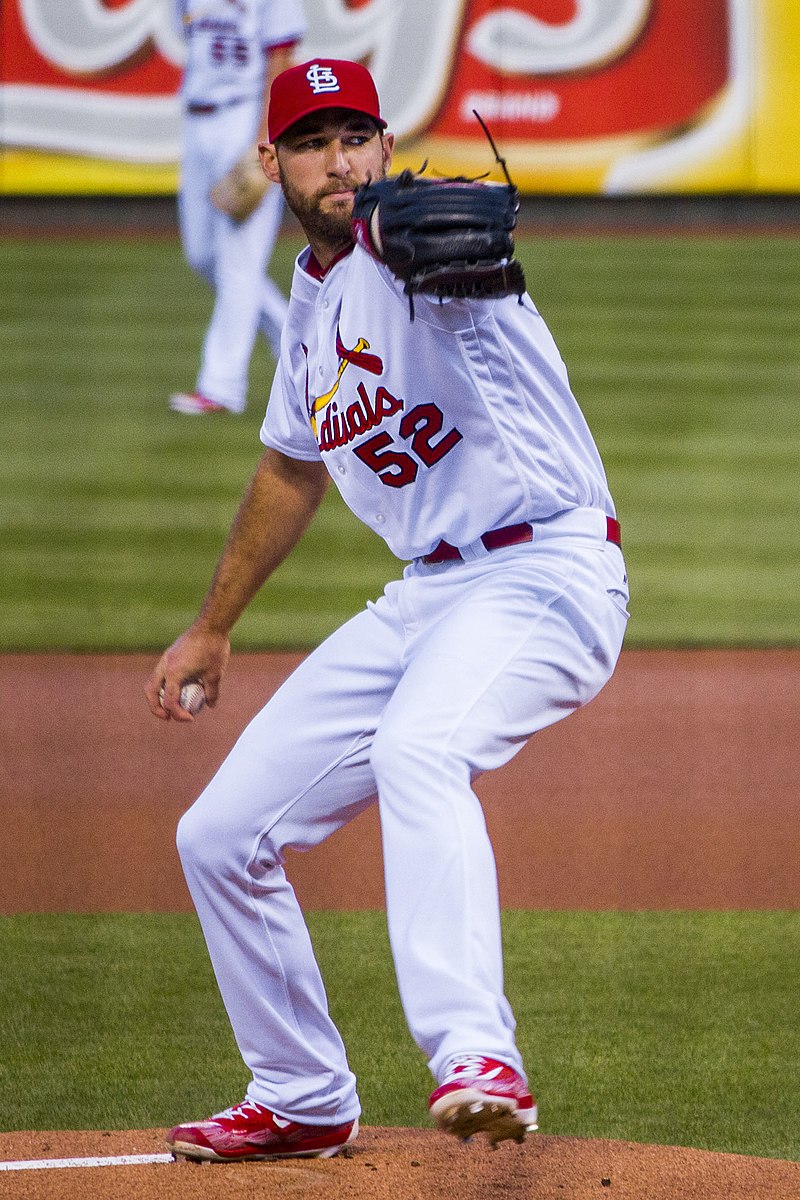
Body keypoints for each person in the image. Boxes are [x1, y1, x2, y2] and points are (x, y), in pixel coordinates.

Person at [146, 58, 630, 1161]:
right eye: (313, 141)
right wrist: (213, 623)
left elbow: (459, 258)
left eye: (356, 135)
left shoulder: (407, 245)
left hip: (544, 570)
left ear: (384, 142)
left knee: (420, 749)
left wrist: (416, 235)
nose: (341, 160)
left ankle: (477, 1054)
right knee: (219, 834)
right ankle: (303, 1091)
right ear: (270, 161)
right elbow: (289, 469)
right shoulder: (313, 307)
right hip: (429, 594)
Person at [169, 0, 306, 416]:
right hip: (197, 119)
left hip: (242, 115)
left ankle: (222, 386)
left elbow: (281, 59)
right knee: (202, 255)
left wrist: (265, 139)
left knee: (238, 264)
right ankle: (299, 344)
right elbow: (190, 34)